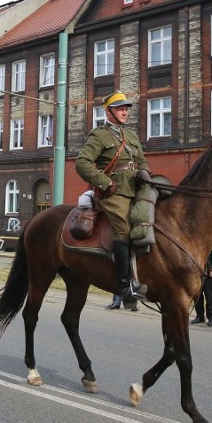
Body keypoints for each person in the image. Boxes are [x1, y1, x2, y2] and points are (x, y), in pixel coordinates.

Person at [75, 91, 153, 302]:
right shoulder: (99, 135)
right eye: (120, 108)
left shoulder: (132, 136)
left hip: (136, 189)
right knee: (124, 229)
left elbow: (142, 161)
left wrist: (145, 172)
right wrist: (105, 183)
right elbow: (81, 163)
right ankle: (124, 287)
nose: (125, 112)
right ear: (108, 111)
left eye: (126, 109)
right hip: (114, 193)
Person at [191, 241, 212, 327]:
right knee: (197, 295)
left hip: (208, 270)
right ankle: (199, 316)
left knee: (209, 295)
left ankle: (211, 317)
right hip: (196, 271)